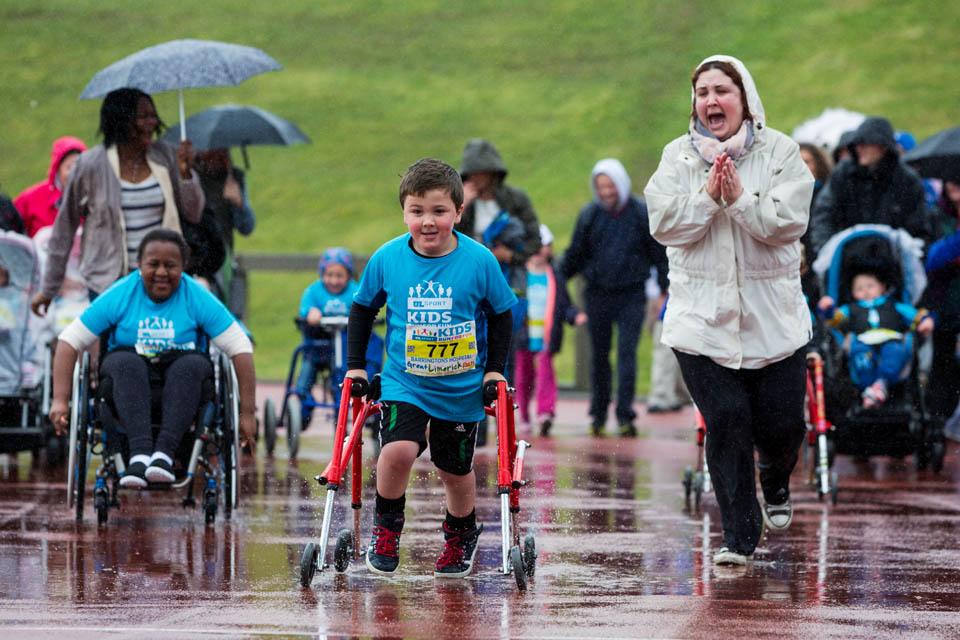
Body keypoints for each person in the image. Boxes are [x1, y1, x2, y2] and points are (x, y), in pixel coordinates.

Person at [644, 55, 814, 566]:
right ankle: (738, 536)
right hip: (700, 320)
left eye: (722, 90)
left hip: (774, 321)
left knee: (783, 428)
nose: (711, 101)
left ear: (745, 99)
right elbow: (663, 223)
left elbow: (790, 222)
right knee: (726, 418)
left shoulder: (781, 151)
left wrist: (740, 200)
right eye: (702, 92)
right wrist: (707, 198)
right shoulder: (677, 157)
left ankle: (776, 479)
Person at [344, 158, 516, 578]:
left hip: (461, 387)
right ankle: (386, 529)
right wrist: (356, 366)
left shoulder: (479, 261)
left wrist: (494, 369)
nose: (427, 221)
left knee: (453, 468)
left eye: (439, 211)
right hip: (407, 381)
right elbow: (363, 309)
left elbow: (503, 314)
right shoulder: (387, 259)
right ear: (404, 212)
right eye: (417, 211)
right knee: (397, 450)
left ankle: (460, 536)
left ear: (458, 213)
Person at [48, 230, 255, 487]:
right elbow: (69, 341)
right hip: (126, 385)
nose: (161, 273)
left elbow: (240, 346)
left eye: (170, 266)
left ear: (184, 267)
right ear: (139, 265)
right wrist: (59, 400)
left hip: (182, 386)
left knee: (192, 364)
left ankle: (163, 457)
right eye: (153, 264)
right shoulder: (122, 292)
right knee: (124, 361)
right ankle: (140, 455)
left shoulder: (196, 296)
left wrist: (247, 413)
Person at [31, 88, 204, 316]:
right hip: (108, 284)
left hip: (160, 283)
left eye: (153, 115)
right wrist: (48, 289)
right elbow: (65, 228)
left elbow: (194, 213)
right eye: (143, 116)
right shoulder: (90, 165)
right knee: (114, 351)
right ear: (120, 120)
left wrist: (186, 174)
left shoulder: (167, 157)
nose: (152, 122)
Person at [562, 158, 668, 437]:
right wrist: (555, 277)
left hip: (631, 294)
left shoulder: (640, 214)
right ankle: (597, 414)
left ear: (621, 185)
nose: (607, 192)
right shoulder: (590, 215)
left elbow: (658, 254)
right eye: (601, 187)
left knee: (626, 354)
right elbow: (575, 254)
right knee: (599, 356)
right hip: (597, 294)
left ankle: (625, 414)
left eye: (611, 186)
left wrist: (666, 288)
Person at [456, 138, 540, 444]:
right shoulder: (461, 203)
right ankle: (475, 428)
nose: (477, 179)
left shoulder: (515, 200)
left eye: (482, 173)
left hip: (508, 283)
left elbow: (534, 238)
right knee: (472, 351)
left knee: (505, 352)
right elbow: (448, 237)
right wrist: (461, 204)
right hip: (471, 285)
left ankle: (505, 422)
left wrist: (511, 256)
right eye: (472, 174)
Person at [809, 116, 931, 258]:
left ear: (882, 146)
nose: (858, 148)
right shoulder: (844, 173)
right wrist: (828, 251)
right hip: (846, 258)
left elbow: (918, 228)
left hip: (892, 261)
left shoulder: (907, 180)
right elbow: (824, 213)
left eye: (865, 144)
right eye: (857, 144)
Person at [818, 270, 934, 407]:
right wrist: (827, 309)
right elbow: (835, 319)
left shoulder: (893, 305)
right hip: (863, 341)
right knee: (860, 356)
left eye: (870, 286)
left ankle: (880, 384)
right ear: (853, 292)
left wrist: (924, 321)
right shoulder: (851, 308)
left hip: (891, 339)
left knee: (895, 352)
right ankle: (871, 387)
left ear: (882, 287)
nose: (865, 291)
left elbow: (914, 315)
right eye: (859, 288)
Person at [514, 224, 586, 436]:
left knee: (546, 374)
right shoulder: (519, 276)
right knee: (523, 377)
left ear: (549, 249)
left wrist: (574, 316)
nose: (537, 251)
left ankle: (545, 413)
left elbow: (564, 304)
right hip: (522, 337)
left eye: (542, 246)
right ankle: (524, 415)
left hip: (545, 338)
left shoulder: (554, 276)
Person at [194, 148, 256, 319]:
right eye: (211, 153)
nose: (216, 158)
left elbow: (247, 227)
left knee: (226, 314)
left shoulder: (234, 178)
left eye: (222, 154)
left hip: (224, 257)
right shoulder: (191, 177)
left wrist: (238, 202)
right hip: (198, 256)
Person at [295, 246, 358, 396]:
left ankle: (339, 392)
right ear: (322, 274)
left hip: (345, 346)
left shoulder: (355, 290)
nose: (334, 280)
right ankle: (303, 398)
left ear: (348, 275)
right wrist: (311, 312)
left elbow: (363, 307)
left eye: (339, 275)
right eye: (329, 275)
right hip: (318, 344)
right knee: (307, 368)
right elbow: (306, 309)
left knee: (343, 370)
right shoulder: (314, 291)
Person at [924, 180, 960, 440]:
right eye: (951, 187)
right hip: (947, 302)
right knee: (943, 363)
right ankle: (938, 423)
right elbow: (933, 257)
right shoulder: (940, 214)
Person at [14, 136, 87, 237]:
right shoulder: (31, 199)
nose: (74, 174)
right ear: (58, 169)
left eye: (79, 167)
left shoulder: (94, 199)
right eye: (69, 167)